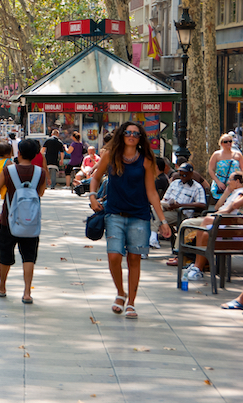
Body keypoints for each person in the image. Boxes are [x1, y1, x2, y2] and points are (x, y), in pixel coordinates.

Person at [88, 121, 170, 319]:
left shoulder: (146, 160)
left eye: (136, 133)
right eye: (128, 132)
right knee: (114, 256)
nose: (131, 135)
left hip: (139, 216)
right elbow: (96, 177)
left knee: (134, 259)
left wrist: (163, 221)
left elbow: (151, 192)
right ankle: (120, 292)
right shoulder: (110, 155)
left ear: (140, 138)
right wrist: (92, 196)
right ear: (122, 135)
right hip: (114, 213)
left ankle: (131, 302)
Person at [0, 139, 46, 304]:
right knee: (29, 255)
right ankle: (27, 292)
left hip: (9, 219)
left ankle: (2, 286)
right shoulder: (40, 172)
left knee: (5, 253)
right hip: (31, 221)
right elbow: (41, 193)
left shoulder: (9, 171)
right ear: (35, 154)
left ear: (18, 153)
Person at [179, 171, 243, 279]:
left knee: (204, 226)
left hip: (228, 228)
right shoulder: (234, 192)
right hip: (223, 225)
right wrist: (227, 192)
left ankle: (197, 267)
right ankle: (197, 267)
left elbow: (233, 206)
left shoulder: (240, 192)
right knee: (204, 234)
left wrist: (220, 212)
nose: (227, 182)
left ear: (237, 181)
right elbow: (218, 207)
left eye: (230, 180)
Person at [208, 133, 243, 200]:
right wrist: (218, 182)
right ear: (221, 143)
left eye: (230, 141)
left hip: (235, 184)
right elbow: (211, 169)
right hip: (221, 184)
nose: (228, 143)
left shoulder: (238, 155)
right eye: (226, 142)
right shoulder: (216, 154)